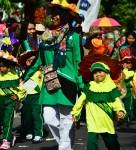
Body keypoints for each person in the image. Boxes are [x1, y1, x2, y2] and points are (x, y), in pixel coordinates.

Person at [22, 2, 84, 150]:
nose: (54, 17)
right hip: (50, 79)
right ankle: (66, 143)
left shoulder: (74, 36)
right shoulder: (44, 37)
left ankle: (65, 147)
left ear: (64, 16)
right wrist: (25, 77)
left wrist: (82, 84)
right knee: (49, 118)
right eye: (52, 14)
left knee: (66, 119)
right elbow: (39, 61)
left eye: (57, 14)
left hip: (68, 81)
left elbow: (78, 61)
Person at [71, 62, 126, 150]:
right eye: (95, 73)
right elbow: (80, 101)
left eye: (100, 71)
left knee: (112, 144)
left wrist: (120, 110)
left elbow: (117, 102)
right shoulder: (89, 86)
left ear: (106, 73)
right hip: (93, 123)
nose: (97, 74)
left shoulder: (111, 87)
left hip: (107, 122)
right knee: (91, 145)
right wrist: (75, 112)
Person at [0, 38, 26, 149]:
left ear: (8, 66)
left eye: (3, 66)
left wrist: (18, 96)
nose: (1, 68)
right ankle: (10, 136)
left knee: (7, 120)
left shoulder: (14, 75)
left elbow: (23, 90)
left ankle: (6, 140)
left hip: (10, 100)